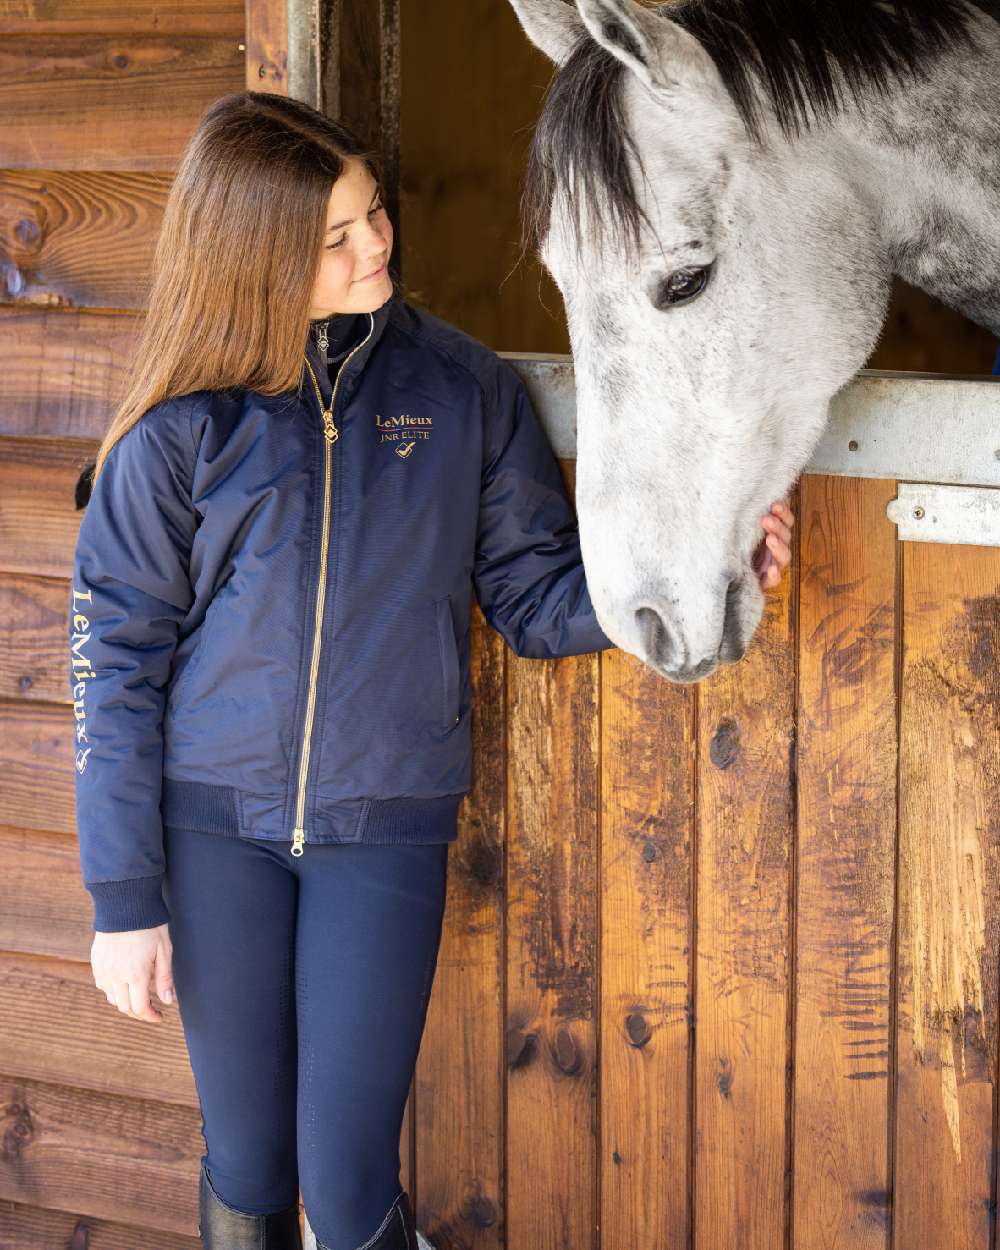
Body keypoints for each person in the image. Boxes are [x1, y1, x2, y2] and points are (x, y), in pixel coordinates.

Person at [67, 90, 794, 1250]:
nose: (374, 247)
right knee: (249, 1161)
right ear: (253, 256)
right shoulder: (182, 429)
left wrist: (706, 565)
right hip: (210, 834)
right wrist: (123, 899)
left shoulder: (463, 393)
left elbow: (534, 599)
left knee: (348, 1177)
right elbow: (114, 660)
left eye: (373, 216)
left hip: (382, 830)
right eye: (334, 237)